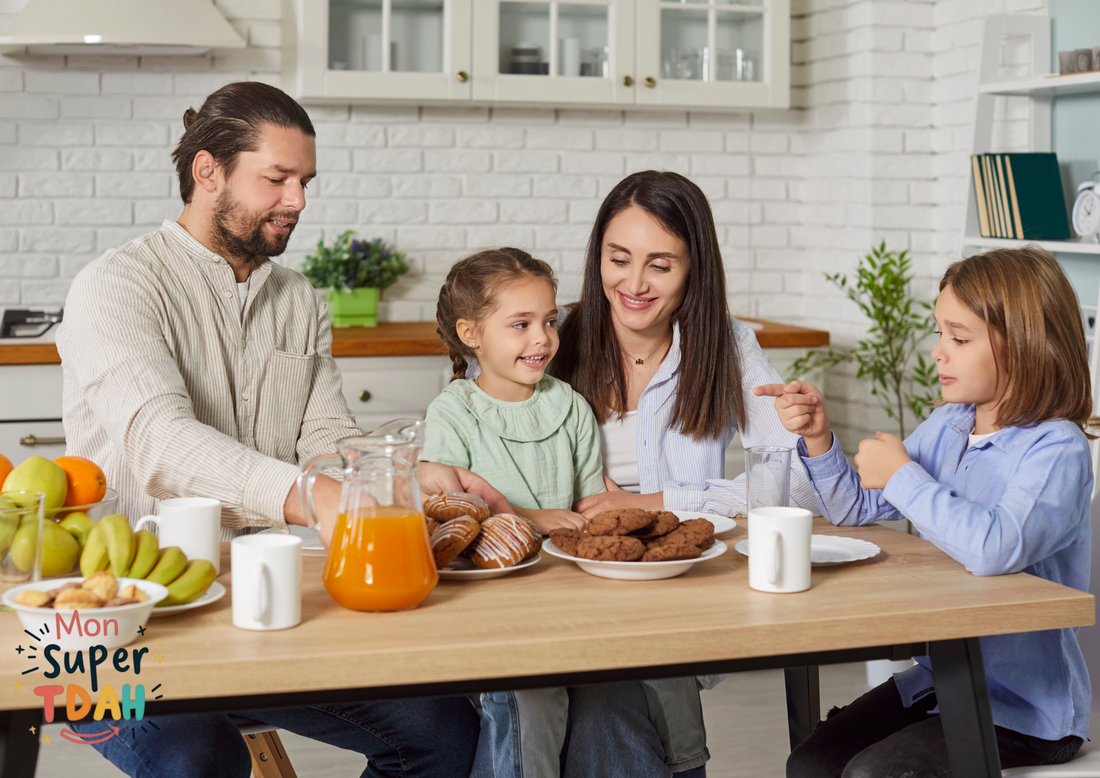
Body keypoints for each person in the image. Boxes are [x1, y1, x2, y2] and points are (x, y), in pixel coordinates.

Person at [58, 81, 507, 778]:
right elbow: (160, 444)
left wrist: (403, 476)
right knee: (196, 756)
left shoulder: (299, 300)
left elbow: (326, 443)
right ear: (208, 171)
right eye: (277, 179)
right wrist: (309, 496)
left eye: (305, 182)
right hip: (115, 626)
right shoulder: (116, 286)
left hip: (261, 607)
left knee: (445, 731)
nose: (297, 201)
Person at [756, 246, 1091, 777]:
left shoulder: (1056, 450)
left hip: (1023, 713)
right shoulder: (949, 425)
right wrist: (820, 438)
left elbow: (996, 547)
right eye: (940, 333)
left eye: (959, 338)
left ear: (1026, 345)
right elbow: (854, 507)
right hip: (942, 682)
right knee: (811, 762)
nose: (938, 352)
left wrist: (903, 474)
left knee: (872, 774)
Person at [556, 170, 819, 778]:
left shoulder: (726, 344)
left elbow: (793, 482)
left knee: (620, 690)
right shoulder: (553, 335)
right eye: (618, 259)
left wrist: (659, 504)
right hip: (567, 575)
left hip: (677, 587)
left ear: (695, 268)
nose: (634, 284)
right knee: (616, 698)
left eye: (661, 265)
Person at [423, 247, 605, 778]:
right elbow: (449, 513)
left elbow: (589, 509)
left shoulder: (570, 406)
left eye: (549, 321)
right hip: (488, 611)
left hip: (567, 603)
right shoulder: (453, 412)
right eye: (521, 324)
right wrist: (533, 517)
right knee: (531, 700)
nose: (542, 338)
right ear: (471, 334)